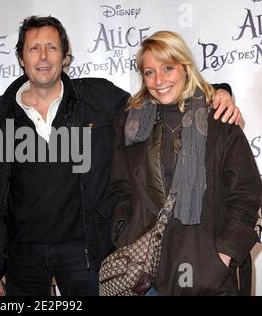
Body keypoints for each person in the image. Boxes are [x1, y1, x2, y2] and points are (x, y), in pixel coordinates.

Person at [0, 16, 239, 296]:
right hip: (21, 255)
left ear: (65, 56)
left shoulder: (98, 98)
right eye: (33, 48)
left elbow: (159, 99)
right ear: (21, 57)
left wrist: (217, 92)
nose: (43, 56)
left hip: (86, 252)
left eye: (51, 47)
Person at [110, 30, 262, 295]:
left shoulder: (218, 119)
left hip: (208, 271)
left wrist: (223, 256)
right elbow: (120, 188)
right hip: (147, 274)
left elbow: (246, 194)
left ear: (185, 68)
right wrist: (124, 233)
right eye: (149, 72)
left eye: (168, 68)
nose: (159, 80)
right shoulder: (130, 124)